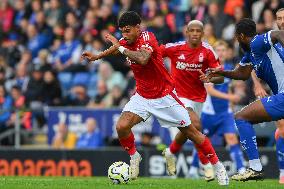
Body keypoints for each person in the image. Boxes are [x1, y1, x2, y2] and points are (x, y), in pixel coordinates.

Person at [81, 11, 229, 185]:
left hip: (164, 96)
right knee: (121, 126)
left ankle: (218, 167)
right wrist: (98, 56)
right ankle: (134, 156)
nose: (124, 35)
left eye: (128, 30)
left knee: (193, 133)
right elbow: (116, 47)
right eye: (122, 31)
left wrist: (120, 47)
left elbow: (143, 58)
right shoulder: (126, 41)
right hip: (142, 96)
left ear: (138, 28)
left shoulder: (148, 38)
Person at [206, 17, 284, 181]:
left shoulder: (257, 42)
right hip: (281, 97)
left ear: (241, 36)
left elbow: (278, 33)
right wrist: (220, 72)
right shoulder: (250, 53)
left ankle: (255, 168)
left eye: (236, 36)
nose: (235, 39)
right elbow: (241, 74)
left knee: (241, 117)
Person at [159, 20, 224, 181]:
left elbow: (221, 78)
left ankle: (171, 152)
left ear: (203, 34)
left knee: (188, 132)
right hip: (177, 95)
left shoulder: (208, 51)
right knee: (196, 125)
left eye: (198, 31)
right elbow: (154, 54)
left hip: (198, 98)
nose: (195, 33)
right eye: (192, 30)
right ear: (186, 32)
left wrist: (210, 77)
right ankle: (206, 164)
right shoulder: (175, 48)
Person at [190, 40, 246, 178]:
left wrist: (238, 93)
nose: (221, 53)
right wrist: (231, 97)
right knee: (202, 140)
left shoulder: (229, 69)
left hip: (225, 113)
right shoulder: (209, 69)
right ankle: (193, 168)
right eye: (218, 50)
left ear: (228, 52)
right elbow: (211, 91)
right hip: (209, 113)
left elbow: (235, 86)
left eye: (223, 50)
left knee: (232, 138)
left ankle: (242, 169)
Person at [250, 8, 284, 184]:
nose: (282, 21)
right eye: (279, 18)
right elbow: (252, 64)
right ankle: (283, 173)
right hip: (279, 93)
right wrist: (257, 85)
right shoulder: (270, 42)